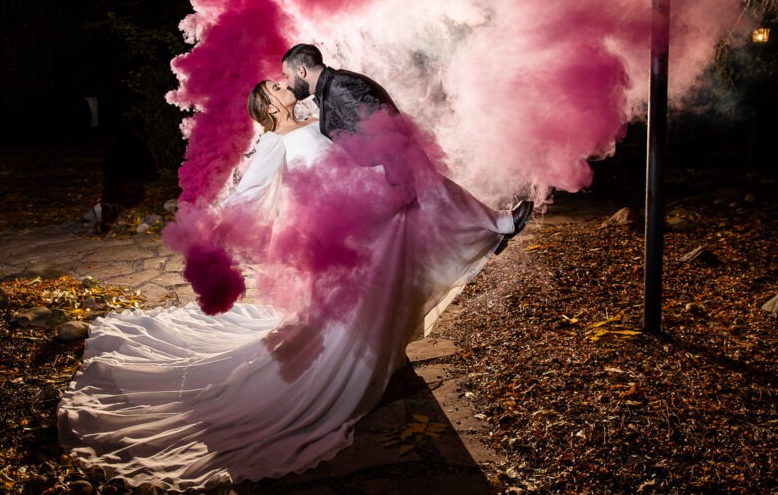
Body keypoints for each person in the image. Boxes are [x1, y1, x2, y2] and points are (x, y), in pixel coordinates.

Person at [57, 76, 533, 491]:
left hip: (363, 211)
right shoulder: (274, 141)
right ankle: (373, 348)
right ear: (270, 106)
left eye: (284, 82)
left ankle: (488, 231)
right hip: (343, 230)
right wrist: (215, 229)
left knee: (416, 216)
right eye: (277, 88)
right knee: (365, 294)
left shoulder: (317, 121)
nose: (286, 87)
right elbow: (250, 194)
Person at [281, 43, 532, 253]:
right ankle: (493, 234)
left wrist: (393, 172)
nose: (287, 83)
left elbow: (379, 124)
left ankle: (500, 227)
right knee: (427, 218)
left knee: (440, 199)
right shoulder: (330, 89)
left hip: (392, 163)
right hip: (383, 169)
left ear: (301, 70)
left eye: (287, 76)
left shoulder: (339, 86)